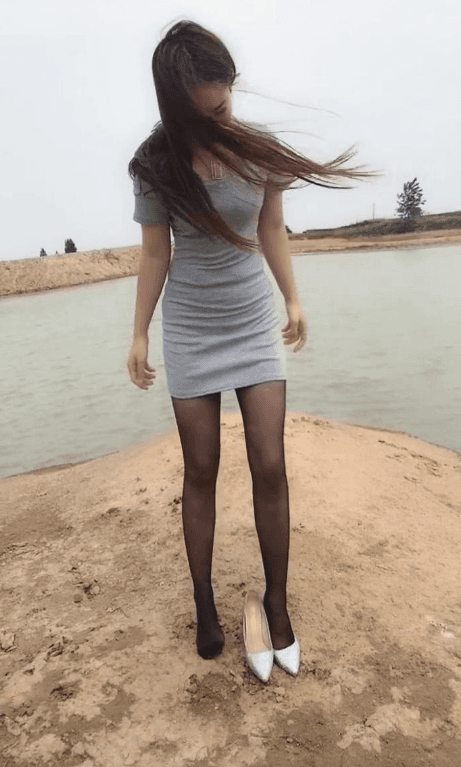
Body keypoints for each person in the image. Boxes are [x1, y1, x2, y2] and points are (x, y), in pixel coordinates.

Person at [127, 20, 379, 667]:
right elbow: (155, 252)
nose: (225, 116)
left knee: (270, 462)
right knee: (201, 469)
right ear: (178, 106)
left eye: (227, 101)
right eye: (210, 111)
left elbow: (271, 227)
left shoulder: (256, 149)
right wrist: (139, 332)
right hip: (191, 327)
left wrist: (292, 298)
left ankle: (278, 602)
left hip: (250, 322)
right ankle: (204, 602)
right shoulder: (154, 165)